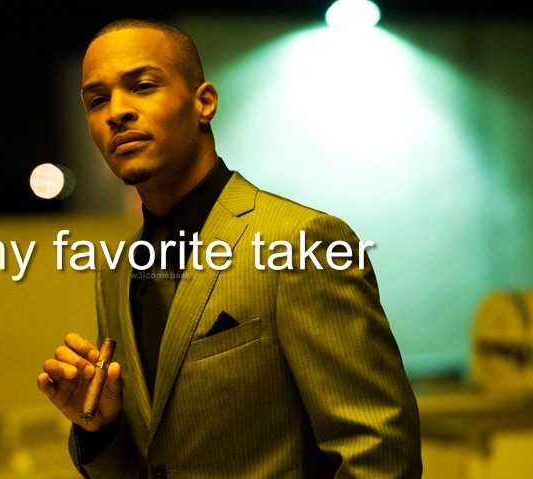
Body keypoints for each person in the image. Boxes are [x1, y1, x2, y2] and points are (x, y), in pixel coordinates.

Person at [38, 17, 422, 478]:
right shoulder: (116, 274)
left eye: (142, 86)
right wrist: (100, 428)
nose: (116, 111)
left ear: (204, 102)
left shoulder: (300, 241)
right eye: (97, 100)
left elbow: (379, 454)